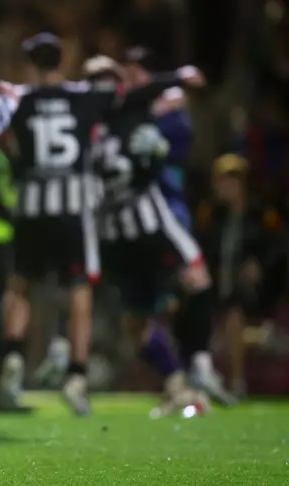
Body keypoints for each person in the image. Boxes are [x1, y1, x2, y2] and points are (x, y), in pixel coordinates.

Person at [0, 34, 205, 416]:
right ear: (62, 62)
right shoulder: (84, 98)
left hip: (31, 204)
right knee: (80, 289)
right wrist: (177, 76)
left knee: (21, 285)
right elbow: (137, 95)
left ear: (30, 65)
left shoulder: (20, 97)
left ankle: (13, 356)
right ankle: (77, 375)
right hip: (75, 209)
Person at [86, 55, 210, 417]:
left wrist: (177, 79)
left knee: (195, 282)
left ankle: (197, 368)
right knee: (136, 323)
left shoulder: (126, 108)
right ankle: (181, 383)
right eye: (95, 79)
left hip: (145, 222)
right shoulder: (87, 116)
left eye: (108, 77)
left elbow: (162, 98)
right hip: (120, 230)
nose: (103, 85)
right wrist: (180, 75)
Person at [195, 154, 288, 398]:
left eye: (232, 180)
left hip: (255, 291)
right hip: (219, 290)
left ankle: (237, 384)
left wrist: (260, 265)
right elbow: (201, 250)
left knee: (234, 319)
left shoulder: (262, 214)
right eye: (222, 181)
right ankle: (262, 337)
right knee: (223, 328)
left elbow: (279, 247)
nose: (227, 186)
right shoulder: (211, 216)